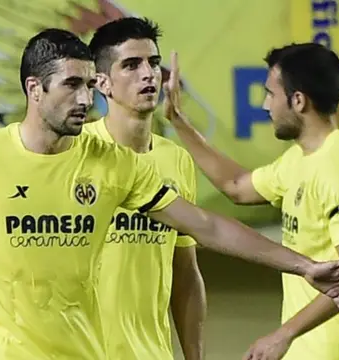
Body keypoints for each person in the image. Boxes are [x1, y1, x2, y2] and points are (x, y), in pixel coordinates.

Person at [0, 30, 339, 360]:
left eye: (89, 85)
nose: (85, 98)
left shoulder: (115, 165)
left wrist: (303, 266)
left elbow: (206, 225)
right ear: (34, 89)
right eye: (71, 85)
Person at [163, 43, 339, 360]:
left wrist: (283, 334)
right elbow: (237, 187)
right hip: (309, 350)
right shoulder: (300, 159)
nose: (265, 105)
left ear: (298, 100)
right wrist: (178, 121)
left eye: (270, 93)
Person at [85, 17, 205, 360]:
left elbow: (185, 272)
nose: (149, 73)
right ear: (102, 83)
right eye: (131, 65)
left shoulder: (176, 161)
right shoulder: (77, 152)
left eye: (153, 62)